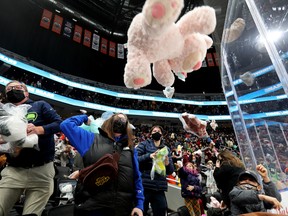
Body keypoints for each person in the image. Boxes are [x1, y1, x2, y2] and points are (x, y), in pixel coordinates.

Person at [60, 113, 144, 216]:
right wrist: (85, 118)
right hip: (92, 207)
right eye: (117, 117)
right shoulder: (90, 139)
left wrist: (139, 204)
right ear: (109, 121)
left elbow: (136, 177)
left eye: (124, 119)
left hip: (122, 208)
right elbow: (66, 125)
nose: (120, 120)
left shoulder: (130, 149)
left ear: (127, 125)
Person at [0, 80, 62, 216]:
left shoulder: (39, 105)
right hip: (14, 171)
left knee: (31, 214)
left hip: (42, 170)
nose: (12, 90)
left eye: (17, 87)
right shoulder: (4, 112)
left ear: (26, 93)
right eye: (8, 89)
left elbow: (59, 124)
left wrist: (38, 129)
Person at [136, 125, 174, 216]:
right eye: (154, 131)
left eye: (159, 131)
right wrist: (149, 156)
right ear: (150, 134)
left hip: (159, 187)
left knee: (161, 211)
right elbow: (135, 159)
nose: (156, 132)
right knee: (141, 212)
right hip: (145, 186)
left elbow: (170, 171)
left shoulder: (166, 149)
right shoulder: (144, 144)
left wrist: (167, 163)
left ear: (162, 135)